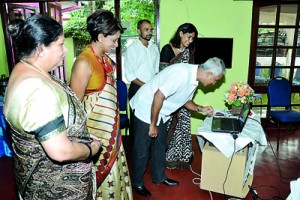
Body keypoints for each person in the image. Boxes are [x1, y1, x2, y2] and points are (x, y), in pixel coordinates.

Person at [4, 15, 102, 199]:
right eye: (60, 44)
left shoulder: (24, 70)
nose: (65, 50)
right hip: (56, 189)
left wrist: (81, 137)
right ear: (41, 48)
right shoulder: (37, 89)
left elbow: (46, 127)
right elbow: (60, 151)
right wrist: (91, 149)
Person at [130, 57, 226, 197]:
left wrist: (201, 108)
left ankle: (159, 177)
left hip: (161, 111)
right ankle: (137, 182)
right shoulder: (181, 74)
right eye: (216, 79)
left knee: (160, 146)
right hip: (146, 108)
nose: (214, 83)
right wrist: (152, 124)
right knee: (142, 150)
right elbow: (158, 96)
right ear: (209, 74)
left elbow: (186, 101)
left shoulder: (194, 79)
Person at [70, 9, 133, 199]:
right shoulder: (83, 62)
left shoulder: (104, 59)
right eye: (113, 40)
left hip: (111, 133)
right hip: (95, 134)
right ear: (99, 36)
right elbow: (75, 107)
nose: (116, 44)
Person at [160, 23, 198, 170]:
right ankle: (169, 159)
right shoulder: (167, 50)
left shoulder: (188, 52)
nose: (190, 41)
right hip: (169, 98)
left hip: (184, 97)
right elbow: (162, 75)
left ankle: (183, 158)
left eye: (192, 39)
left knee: (183, 128)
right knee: (170, 129)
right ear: (181, 33)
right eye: (189, 37)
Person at [124, 19, 160, 140]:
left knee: (151, 119)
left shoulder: (154, 48)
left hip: (152, 90)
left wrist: (153, 87)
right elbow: (129, 75)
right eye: (146, 29)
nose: (149, 32)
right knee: (136, 122)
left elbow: (156, 71)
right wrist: (146, 86)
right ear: (139, 31)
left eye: (151, 29)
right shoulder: (132, 49)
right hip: (137, 88)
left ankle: (149, 148)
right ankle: (136, 150)